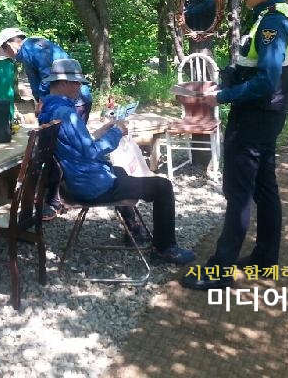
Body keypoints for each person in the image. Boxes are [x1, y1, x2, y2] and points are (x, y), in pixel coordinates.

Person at [181, 0, 288, 290]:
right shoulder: (273, 14)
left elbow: (266, 81)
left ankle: (220, 271)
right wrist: (227, 78)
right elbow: (251, 65)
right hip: (266, 116)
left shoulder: (273, 22)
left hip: (254, 117)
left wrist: (220, 97)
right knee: (264, 188)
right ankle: (264, 260)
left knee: (239, 193)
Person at [37, 58, 196, 265]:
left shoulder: (48, 109)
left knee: (119, 169)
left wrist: (103, 131)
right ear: (64, 82)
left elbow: (76, 144)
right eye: (76, 83)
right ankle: (164, 249)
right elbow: (92, 151)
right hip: (90, 186)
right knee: (163, 186)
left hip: (75, 180)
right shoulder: (66, 113)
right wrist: (118, 132)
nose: (80, 87)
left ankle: (134, 229)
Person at [0, 28, 94, 220]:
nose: (9, 56)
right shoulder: (35, 46)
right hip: (75, 99)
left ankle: (55, 201)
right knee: (63, 149)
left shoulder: (31, 48)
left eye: (5, 51)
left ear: (10, 45)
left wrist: (43, 101)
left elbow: (48, 76)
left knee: (57, 150)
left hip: (72, 100)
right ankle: (63, 196)